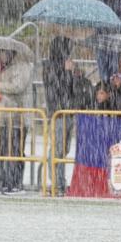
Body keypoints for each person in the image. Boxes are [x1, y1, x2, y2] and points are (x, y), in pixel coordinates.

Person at [42, 37, 93, 193]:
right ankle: (56, 182)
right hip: (58, 114)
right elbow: (56, 88)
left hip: (69, 113)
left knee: (64, 149)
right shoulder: (50, 67)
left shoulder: (66, 68)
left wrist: (74, 75)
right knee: (57, 149)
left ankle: (60, 182)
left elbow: (73, 90)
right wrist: (66, 72)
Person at [0, 48, 34, 193]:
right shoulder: (1, 68)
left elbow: (18, 86)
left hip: (17, 117)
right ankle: (3, 181)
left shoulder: (23, 66)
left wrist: (0, 85)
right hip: (2, 116)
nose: (0, 57)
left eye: (2, 53)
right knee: (2, 150)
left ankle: (15, 183)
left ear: (10, 53)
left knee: (15, 151)